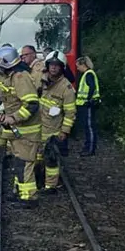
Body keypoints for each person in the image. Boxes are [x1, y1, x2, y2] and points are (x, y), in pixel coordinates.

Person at [0, 45, 42, 209]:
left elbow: (32, 104)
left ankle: (29, 198)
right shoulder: (8, 76)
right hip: (18, 131)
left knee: (25, 163)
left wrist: (13, 117)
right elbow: (4, 98)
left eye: (0, 65)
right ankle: (19, 192)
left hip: (27, 131)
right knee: (19, 161)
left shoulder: (21, 77)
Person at [37, 51, 76, 193]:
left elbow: (70, 112)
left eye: (57, 65)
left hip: (52, 130)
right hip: (37, 127)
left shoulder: (66, 88)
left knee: (50, 159)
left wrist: (65, 131)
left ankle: (51, 186)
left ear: (62, 68)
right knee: (36, 157)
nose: (53, 68)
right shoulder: (40, 80)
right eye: (51, 65)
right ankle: (39, 180)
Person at [75, 55, 101, 156]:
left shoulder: (89, 74)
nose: (77, 68)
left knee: (90, 127)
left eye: (78, 66)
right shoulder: (87, 74)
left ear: (83, 65)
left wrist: (88, 99)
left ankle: (90, 149)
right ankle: (87, 147)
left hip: (88, 105)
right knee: (87, 127)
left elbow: (92, 87)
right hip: (84, 105)